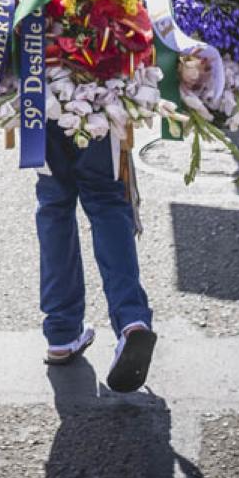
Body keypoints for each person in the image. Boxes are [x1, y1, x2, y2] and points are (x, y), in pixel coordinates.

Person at [37, 124, 157, 392]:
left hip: (39, 90)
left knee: (54, 203)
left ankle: (61, 332)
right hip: (99, 91)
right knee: (105, 197)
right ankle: (130, 320)